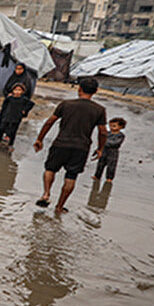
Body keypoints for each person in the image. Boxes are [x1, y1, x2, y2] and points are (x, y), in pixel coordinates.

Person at [33, 77, 107, 214]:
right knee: (71, 177)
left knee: (50, 169)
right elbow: (103, 132)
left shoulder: (66, 104)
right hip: (81, 147)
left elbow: (50, 122)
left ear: (79, 89)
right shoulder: (99, 109)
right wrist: (100, 148)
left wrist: (40, 139)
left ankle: (46, 194)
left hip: (61, 143)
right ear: (95, 91)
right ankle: (59, 207)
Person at [0, 83, 34, 150]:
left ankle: (10, 144)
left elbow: (31, 104)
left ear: (22, 91)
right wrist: (2, 114)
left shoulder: (24, 99)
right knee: (1, 129)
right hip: (7, 116)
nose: (17, 91)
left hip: (16, 117)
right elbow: (4, 106)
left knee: (13, 131)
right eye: (16, 89)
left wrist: (24, 111)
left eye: (19, 90)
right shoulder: (9, 98)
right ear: (13, 90)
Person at [93, 117, 126, 182]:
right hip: (104, 150)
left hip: (113, 152)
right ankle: (97, 175)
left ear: (121, 127)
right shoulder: (107, 133)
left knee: (111, 165)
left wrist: (105, 142)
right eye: (110, 125)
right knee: (100, 163)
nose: (111, 127)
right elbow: (102, 139)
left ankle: (109, 178)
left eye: (114, 126)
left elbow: (115, 143)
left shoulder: (120, 135)